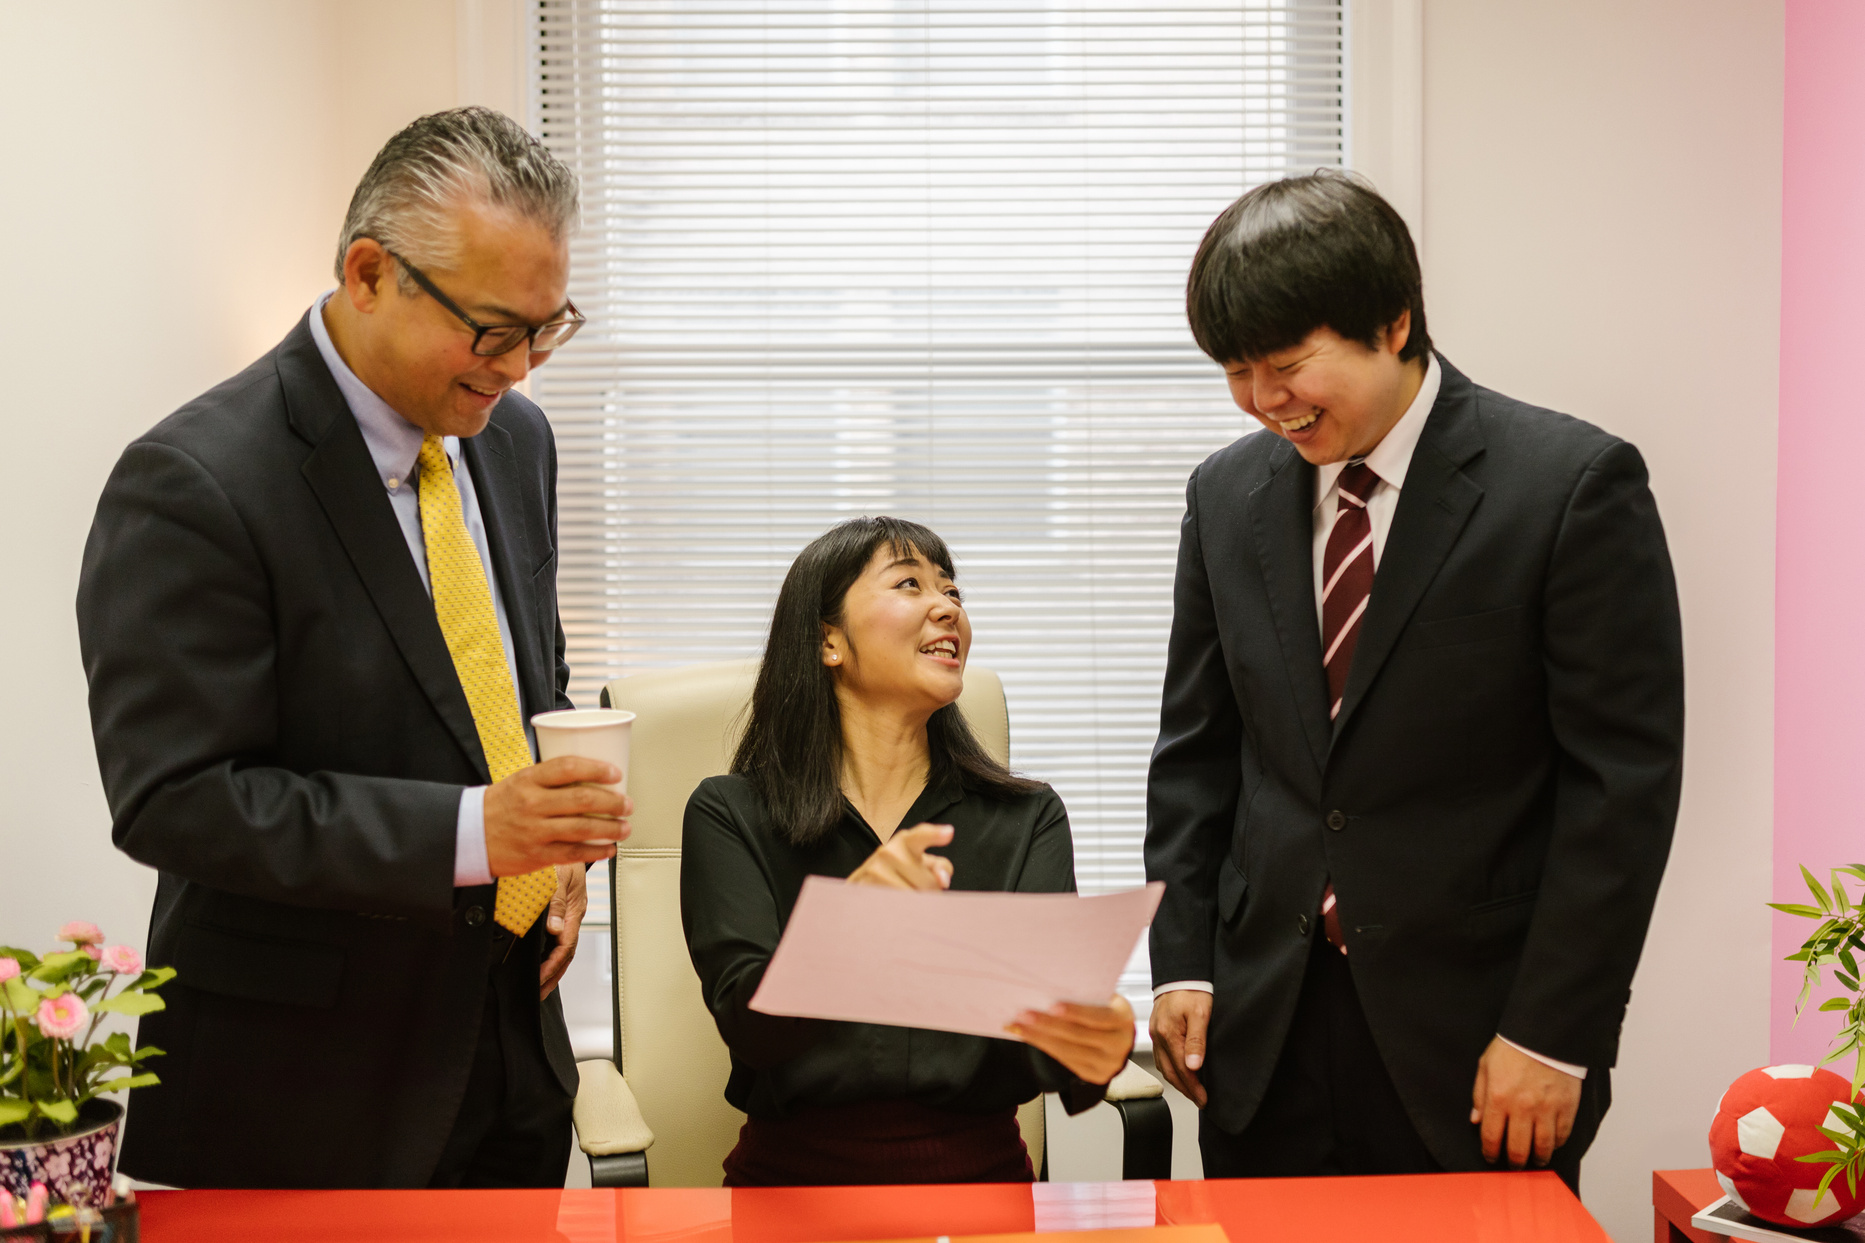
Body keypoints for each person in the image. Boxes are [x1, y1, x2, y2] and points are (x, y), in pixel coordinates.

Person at [76, 108, 631, 1188]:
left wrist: (551, 851)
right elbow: (176, 799)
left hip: (513, 1046)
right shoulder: (196, 482)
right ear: (369, 273)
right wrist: (479, 831)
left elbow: (516, 691)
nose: (519, 369)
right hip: (304, 1093)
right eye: (491, 330)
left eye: (546, 328)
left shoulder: (512, 441)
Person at [1144, 170, 1684, 1189]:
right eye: (1233, 369)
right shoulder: (1222, 496)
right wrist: (1180, 961)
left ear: (1392, 324)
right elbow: (1195, 754)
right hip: (1260, 1037)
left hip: (1477, 1044)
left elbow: (1619, 787)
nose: (1263, 401)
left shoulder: (1566, 487)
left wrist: (1551, 1033)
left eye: (1286, 362)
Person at [681, 517, 1136, 1186]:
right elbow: (753, 1033)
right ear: (827, 640)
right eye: (909, 583)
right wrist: (848, 925)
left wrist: (1096, 1046)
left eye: (952, 590)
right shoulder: (729, 811)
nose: (946, 604)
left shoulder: (1025, 816)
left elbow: (1046, 1058)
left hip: (982, 1185)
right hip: (791, 1190)